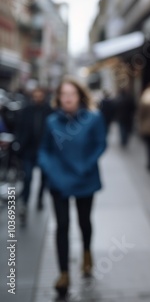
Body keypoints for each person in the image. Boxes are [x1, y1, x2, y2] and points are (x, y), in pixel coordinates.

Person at [38, 76, 107, 297]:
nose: (67, 98)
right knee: (62, 225)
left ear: (79, 96)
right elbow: (44, 151)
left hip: (84, 179)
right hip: (59, 182)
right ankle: (64, 273)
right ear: (58, 98)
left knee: (84, 221)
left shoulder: (94, 118)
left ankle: (86, 252)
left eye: (72, 94)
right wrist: (51, 171)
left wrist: (85, 166)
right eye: (63, 94)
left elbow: (100, 144)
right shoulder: (51, 122)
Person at [16, 87, 53, 219]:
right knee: (28, 177)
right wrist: (19, 143)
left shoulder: (49, 111)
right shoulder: (26, 110)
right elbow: (19, 127)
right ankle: (25, 202)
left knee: (44, 179)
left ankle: (39, 199)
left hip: (43, 150)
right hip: (28, 150)